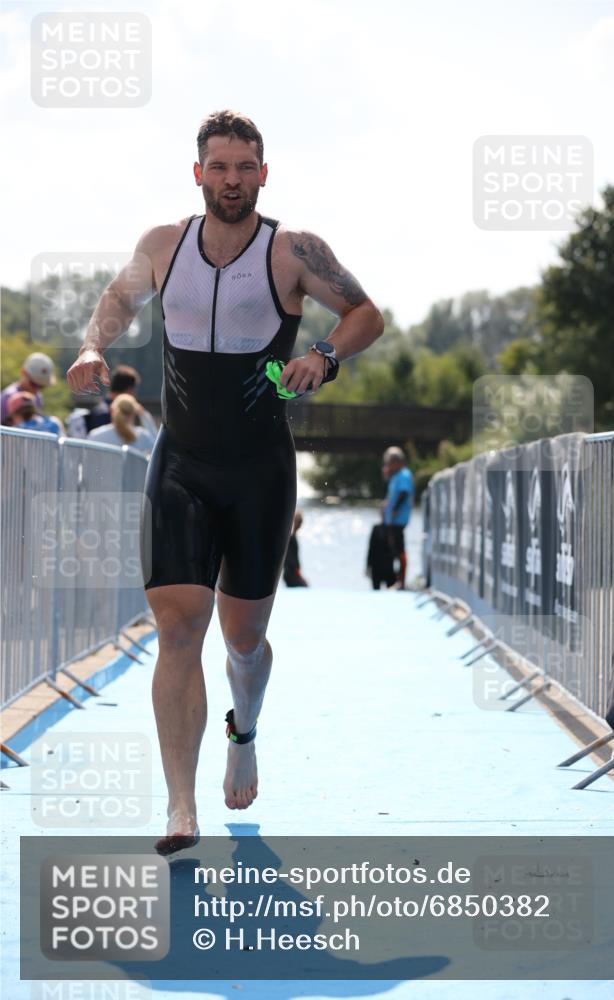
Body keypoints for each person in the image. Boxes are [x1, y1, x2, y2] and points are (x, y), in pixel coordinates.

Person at [66, 110, 384, 852]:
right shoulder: (163, 244)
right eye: (219, 166)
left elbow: (365, 313)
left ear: (263, 174)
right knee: (178, 627)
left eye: (244, 167)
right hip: (181, 461)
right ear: (198, 172)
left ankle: (245, 730)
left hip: (258, 470)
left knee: (244, 640)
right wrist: (91, 345)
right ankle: (181, 808)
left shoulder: (292, 250)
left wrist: (324, 356)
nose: (231, 180)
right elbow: (118, 298)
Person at [67, 364, 158, 440]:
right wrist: (143, 415)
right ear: (130, 390)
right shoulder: (119, 414)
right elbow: (153, 440)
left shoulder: (97, 411)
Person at [382, 446, 414, 590]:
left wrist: (395, 509)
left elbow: (404, 493)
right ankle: (396, 579)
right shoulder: (396, 475)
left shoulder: (404, 475)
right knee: (393, 548)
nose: (388, 465)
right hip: (392, 520)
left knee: (399, 548)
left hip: (398, 519)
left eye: (390, 463)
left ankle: (402, 581)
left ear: (397, 462)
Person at [87, 394, 155, 454]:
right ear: (134, 413)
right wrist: (145, 416)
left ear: (112, 411)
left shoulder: (95, 435)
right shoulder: (143, 436)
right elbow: (156, 450)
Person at [1, 352, 56, 424]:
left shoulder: (38, 397)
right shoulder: (7, 397)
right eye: (34, 384)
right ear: (24, 373)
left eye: (41, 386)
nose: (36, 390)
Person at [366, 519, 396, 590]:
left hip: (389, 567)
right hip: (377, 566)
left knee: (391, 590)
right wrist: (368, 566)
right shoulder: (376, 528)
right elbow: (371, 548)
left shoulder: (394, 529)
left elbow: (397, 551)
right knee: (376, 590)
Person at [283, 510, 308, 587]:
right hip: (291, 573)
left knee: (305, 585)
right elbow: (290, 559)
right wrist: (297, 571)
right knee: (305, 586)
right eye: (299, 522)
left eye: (301, 522)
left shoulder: (292, 537)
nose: (300, 525)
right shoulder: (291, 538)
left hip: (292, 572)